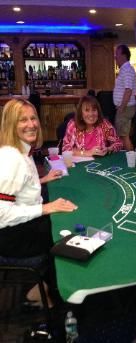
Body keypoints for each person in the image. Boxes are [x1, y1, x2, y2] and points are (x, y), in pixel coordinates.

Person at [0, 98, 78, 307]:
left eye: (33, 118)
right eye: (22, 120)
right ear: (10, 124)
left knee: (61, 223)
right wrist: (45, 208)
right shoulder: (11, 159)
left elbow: (18, 188)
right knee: (66, 236)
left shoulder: (21, 151)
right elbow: (2, 214)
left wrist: (41, 180)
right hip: (11, 237)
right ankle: (59, 299)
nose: (31, 124)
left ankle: (46, 287)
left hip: (18, 227)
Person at [113, 44, 136, 150]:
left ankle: (130, 160)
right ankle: (126, 160)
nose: (115, 57)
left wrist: (121, 107)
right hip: (124, 108)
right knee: (122, 135)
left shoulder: (127, 69)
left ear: (123, 55)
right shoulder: (124, 69)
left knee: (124, 136)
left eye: (117, 54)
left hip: (125, 108)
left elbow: (128, 90)